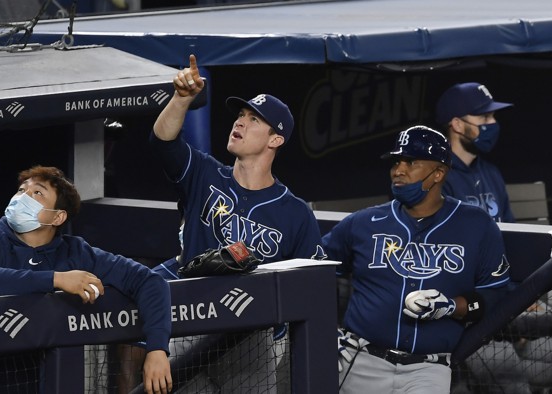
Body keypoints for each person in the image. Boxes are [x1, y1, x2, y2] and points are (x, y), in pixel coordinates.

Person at [150, 54, 324, 392]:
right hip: (190, 317)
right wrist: (182, 98)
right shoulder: (204, 173)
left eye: (254, 119)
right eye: (241, 115)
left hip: (249, 335)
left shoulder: (294, 212)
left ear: (276, 139)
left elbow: (310, 286)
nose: (240, 122)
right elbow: (162, 142)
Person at [325, 125, 511, 393]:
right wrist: (324, 334)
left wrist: (451, 307)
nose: (398, 170)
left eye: (411, 162)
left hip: (428, 369)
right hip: (359, 360)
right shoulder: (363, 222)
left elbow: (493, 295)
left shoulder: (477, 225)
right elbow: (312, 272)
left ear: (438, 173)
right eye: (396, 162)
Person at [0, 165, 173, 394]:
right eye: (21, 190)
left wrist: (156, 349)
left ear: (58, 217)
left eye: (37, 193)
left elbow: (149, 282)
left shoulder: (75, 253)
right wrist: (55, 279)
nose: (23, 196)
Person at [435, 82, 514, 222]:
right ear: (457, 124)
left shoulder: (491, 172)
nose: (493, 122)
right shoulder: (437, 177)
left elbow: (511, 230)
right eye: (485, 117)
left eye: (493, 116)